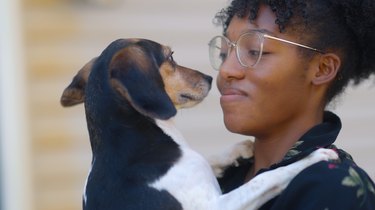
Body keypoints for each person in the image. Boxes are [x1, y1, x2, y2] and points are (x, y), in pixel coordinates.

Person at [208, 0, 375, 209]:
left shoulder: (333, 189)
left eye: (255, 51)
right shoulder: (221, 176)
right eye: (225, 54)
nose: (226, 70)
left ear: (322, 68)